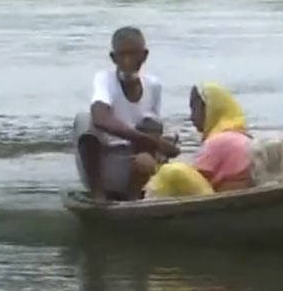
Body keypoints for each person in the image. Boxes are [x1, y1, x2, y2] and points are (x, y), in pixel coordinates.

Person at [74, 26, 180, 200]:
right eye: (122, 56)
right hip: (104, 162)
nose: (128, 61)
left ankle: (133, 196)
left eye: (133, 54)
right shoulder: (104, 79)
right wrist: (154, 142)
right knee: (85, 120)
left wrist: (161, 145)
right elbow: (101, 117)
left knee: (155, 125)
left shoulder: (153, 85)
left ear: (144, 56)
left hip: (136, 165)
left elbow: (153, 128)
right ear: (113, 58)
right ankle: (98, 195)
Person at [146, 82, 254, 197]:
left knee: (171, 172)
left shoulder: (217, 142)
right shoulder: (242, 136)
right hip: (243, 196)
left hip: (223, 201)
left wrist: (158, 167)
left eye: (194, 109)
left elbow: (192, 176)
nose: (191, 117)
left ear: (208, 109)